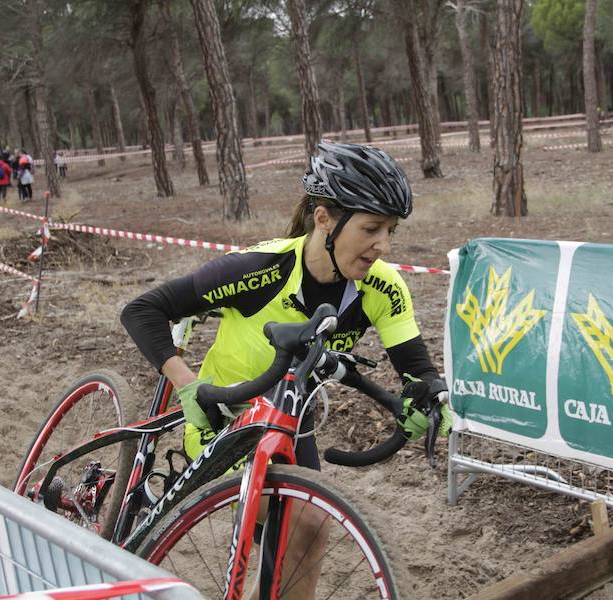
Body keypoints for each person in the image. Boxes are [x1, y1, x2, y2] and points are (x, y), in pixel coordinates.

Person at [121, 141, 451, 597]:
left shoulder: (382, 286)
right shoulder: (261, 268)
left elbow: (416, 365)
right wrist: (188, 386)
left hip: (293, 423)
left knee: (309, 529)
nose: (383, 245)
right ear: (324, 220)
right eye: (372, 228)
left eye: (391, 230)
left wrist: (429, 394)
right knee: (288, 519)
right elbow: (142, 311)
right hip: (225, 417)